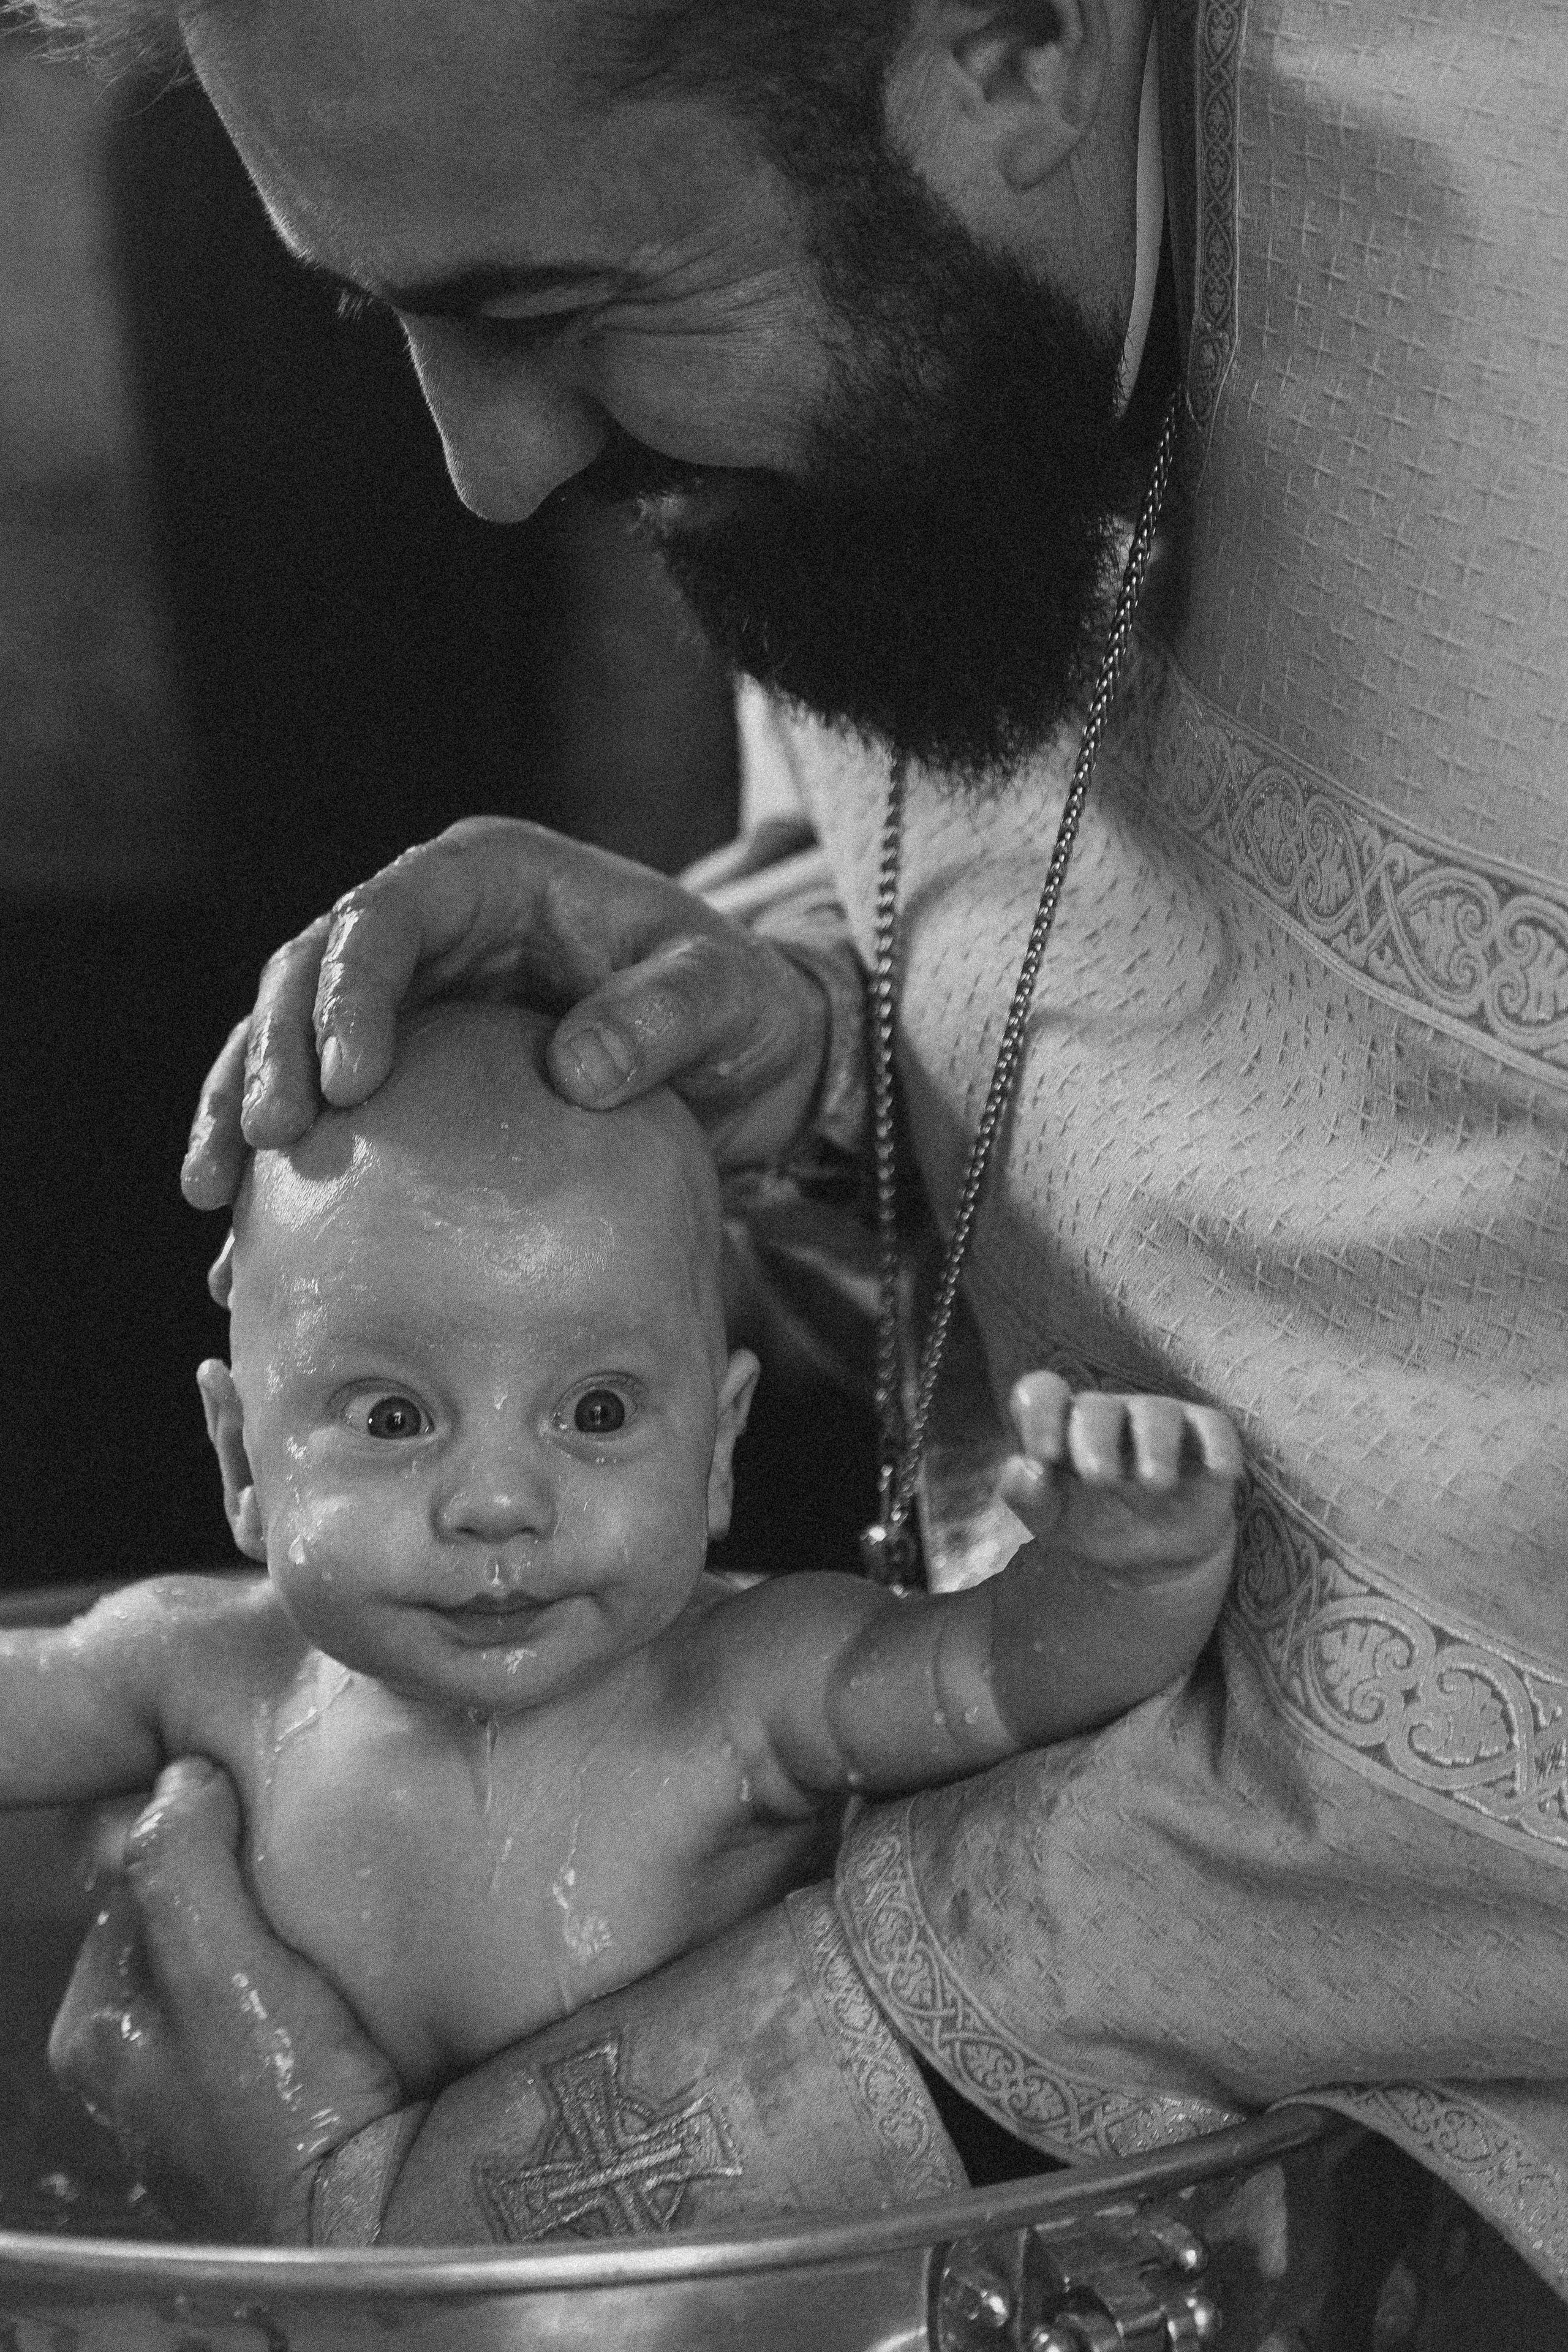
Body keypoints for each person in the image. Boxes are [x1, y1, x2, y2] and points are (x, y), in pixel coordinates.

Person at [31, 0, 1568, 2329]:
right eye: (390, 315)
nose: (485, 474)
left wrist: (455, 2225)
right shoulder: (911, 230)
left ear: (1020, 42)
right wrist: (819, 1028)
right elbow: (1050, 851)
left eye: (549, 311)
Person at [9, 998, 1239, 2101]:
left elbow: (1012, 1672)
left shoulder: (752, 1687)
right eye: (393, 1418)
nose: (497, 1502)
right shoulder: (210, 1671)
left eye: (595, 1413)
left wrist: (1123, 1568)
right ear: (242, 1462)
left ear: (717, 1447)